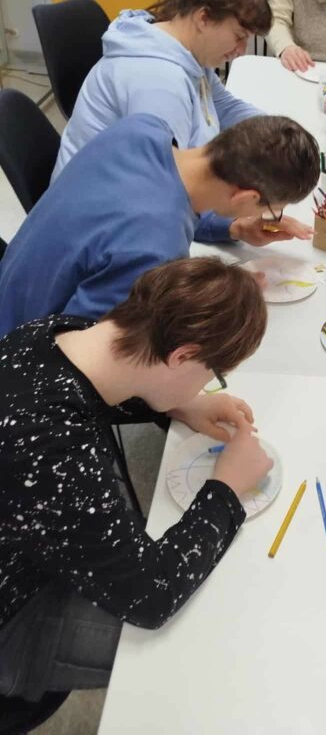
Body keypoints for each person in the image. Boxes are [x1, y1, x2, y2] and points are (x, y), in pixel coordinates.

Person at [0, 256, 274, 703]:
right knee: (213, 640)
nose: (211, 383)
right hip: (16, 608)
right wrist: (226, 488)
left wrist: (178, 403)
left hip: (34, 533)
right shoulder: (50, 446)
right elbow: (151, 596)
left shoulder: (55, 334)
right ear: (182, 356)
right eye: (212, 373)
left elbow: (96, 391)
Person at [0, 113, 319, 337]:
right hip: (22, 350)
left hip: (13, 287)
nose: (267, 218)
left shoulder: (143, 129)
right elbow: (84, 349)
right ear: (246, 196)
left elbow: (163, 201)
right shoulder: (155, 248)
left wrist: (232, 228)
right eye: (271, 211)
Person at [54, 0, 273, 179]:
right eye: (239, 37)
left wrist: (276, 135)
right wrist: (232, 211)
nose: (242, 50)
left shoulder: (185, 47)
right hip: (99, 205)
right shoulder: (159, 84)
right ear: (203, 18)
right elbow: (165, 186)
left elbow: (223, 105)